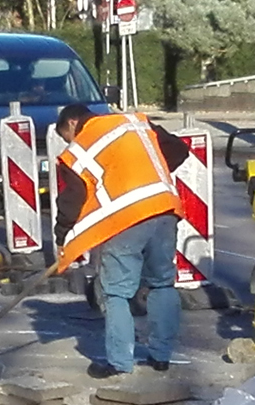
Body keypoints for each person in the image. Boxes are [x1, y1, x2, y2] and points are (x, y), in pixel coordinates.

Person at [52, 103, 189, 379]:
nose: (71, 142)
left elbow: (74, 198)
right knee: (162, 283)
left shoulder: (80, 148)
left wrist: (62, 234)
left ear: (71, 124)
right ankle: (161, 357)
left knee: (116, 292)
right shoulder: (135, 123)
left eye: (68, 136)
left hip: (127, 220)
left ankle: (119, 362)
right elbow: (178, 150)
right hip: (164, 210)